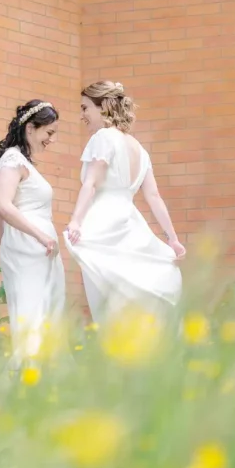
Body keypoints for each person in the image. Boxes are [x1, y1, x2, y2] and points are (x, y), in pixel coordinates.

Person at [64, 81, 184, 322]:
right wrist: (172, 238)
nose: (82, 115)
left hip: (103, 224)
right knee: (133, 294)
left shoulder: (103, 138)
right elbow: (153, 196)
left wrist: (76, 221)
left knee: (109, 299)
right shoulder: (139, 149)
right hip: (130, 223)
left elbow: (91, 183)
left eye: (85, 108)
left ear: (104, 107)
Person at [0, 100, 65, 365]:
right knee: (32, 318)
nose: (51, 140)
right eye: (49, 133)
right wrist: (37, 237)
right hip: (30, 250)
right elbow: (0, 206)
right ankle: (27, 378)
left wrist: (10, 246)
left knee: (45, 317)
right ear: (31, 128)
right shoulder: (13, 159)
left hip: (35, 252)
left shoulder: (25, 163)